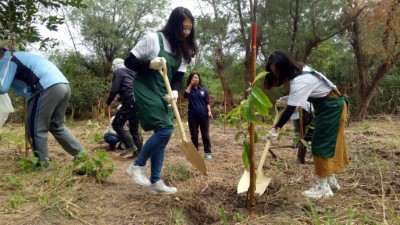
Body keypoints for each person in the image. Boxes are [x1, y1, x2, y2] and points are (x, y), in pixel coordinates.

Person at [123, 7, 198, 194]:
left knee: (162, 135)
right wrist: (149, 64)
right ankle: (137, 166)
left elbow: (178, 77)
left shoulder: (184, 50)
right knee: (165, 130)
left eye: (190, 28)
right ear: (174, 25)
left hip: (164, 91)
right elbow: (129, 61)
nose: (186, 32)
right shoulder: (153, 39)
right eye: (183, 28)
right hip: (146, 87)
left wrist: (174, 91)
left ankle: (155, 182)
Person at [265, 50, 349, 199]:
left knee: (320, 144)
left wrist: (276, 127)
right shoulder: (300, 69)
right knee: (329, 144)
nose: (276, 75)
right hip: (332, 105)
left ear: (284, 68)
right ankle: (330, 180)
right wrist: (288, 98)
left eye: (276, 71)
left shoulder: (299, 81)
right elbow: (303, 94)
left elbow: (291, 109)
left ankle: (323, 188)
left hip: (331, 108)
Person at [0, 48, 84, 167]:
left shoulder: (7, 58)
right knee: (56, 125)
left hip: (46, 87)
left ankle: (42, 164)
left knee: (34, 128)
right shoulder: (20, 55)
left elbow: (2, 87)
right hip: (63, 85)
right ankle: (82, 155)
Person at [106, 58, 143, 158]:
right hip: (138, 100)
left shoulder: (119, 72)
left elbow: (115, 89)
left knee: (117, 124)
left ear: (115, 66)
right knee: (134, 130)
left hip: (129, 101)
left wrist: (108, 102)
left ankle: (130, 146)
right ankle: (139, 154)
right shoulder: (132, 72)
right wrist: (119, 99)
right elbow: (129, 87)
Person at [276, 96, 314, 163]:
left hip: (314, 122)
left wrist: (302, 141)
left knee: (312, 138)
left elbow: (307, 129)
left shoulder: (308, 109)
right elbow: (296, 127)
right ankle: (300, 158)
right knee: (303, 139)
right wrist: (296, 139)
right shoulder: (294, 110)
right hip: (305, 122)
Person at [183, 72, 213, 159]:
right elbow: (185, 95)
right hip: (192, 116)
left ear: (199, 79)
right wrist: (190, 84)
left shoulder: (203, 90)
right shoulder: (189, 89)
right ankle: (195, 153)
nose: (196, 79)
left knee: (205, 135)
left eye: (197, 78)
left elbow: (207, 102)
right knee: (194, 135)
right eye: (194, 78)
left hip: (204, 115)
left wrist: (209, 111)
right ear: (191, 79)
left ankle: (208, 153)